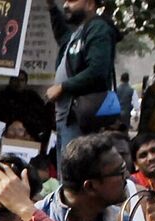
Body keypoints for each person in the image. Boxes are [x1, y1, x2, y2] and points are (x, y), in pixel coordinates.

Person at [46, 0, 119, 168]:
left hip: (80, 117)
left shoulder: (98, 28)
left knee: (75, 174)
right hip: (66, 117)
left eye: (72, 1)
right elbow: (62, 36)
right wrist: (51, 7)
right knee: (66, 173)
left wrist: (63, 87)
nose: (66, 5)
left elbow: (98, 71)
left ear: (90, 4)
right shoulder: (79, 32)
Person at [0, 69, 50, 140]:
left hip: (29, 133)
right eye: (15, 79)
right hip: (5, 133)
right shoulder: (2, 96)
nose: (18, 83)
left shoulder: (32, 96)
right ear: (10, 81)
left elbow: (41, 116)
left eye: (22, 80)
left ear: (26, 82)